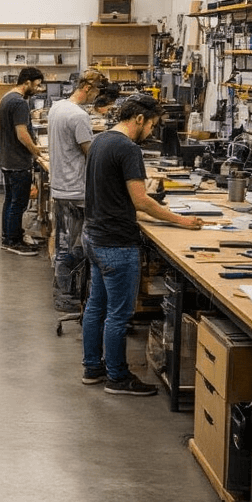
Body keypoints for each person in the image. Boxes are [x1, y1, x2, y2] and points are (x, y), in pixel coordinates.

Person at [82, 93, 203, 395]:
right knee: (118, 316)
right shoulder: (127, 148)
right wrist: (182, 220)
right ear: (139, 119)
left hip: (94, 236)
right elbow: (141, 201)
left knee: (96, 308)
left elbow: (112, 191)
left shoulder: (100, 140)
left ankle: (92, 369)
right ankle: (118, 378)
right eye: (152, 125)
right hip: (116, 243)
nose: (151, 132)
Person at [47, 70, 108, 312]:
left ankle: (64, 294)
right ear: (89, 89)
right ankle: (68, 297)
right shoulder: (79, 116)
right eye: (97, 92)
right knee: (76, 248)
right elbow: (90, 154)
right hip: (77, 190)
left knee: (64, 245)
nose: (97, 97)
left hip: (61, 186)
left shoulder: (57, 108)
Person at [0, 67, 47, 255]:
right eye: (36, 85)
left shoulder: (6, 97)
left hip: (7, 158)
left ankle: (9, 236)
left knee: (10, 201)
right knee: (18, 203)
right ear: (26, 82)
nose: (38, 89)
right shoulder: (19, 103)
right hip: (18, 161)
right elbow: (22, 134)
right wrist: (36, 152)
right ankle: (13, 241)